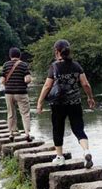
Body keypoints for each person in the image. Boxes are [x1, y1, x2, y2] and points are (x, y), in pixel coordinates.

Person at [36, 40, 96, 168]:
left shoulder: (54, 67)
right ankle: (86, 151)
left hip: (58, 104)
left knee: (58, 129)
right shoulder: (76, 66)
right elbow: (85, 84)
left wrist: (40, 102)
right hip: (75, 102)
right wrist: (90, 97)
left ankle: (60, 157)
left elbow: (47, 86)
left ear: (57, 52)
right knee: (79, 129)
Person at [0, 47, 32, 142]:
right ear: (19, 55)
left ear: (10, 56)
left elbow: (2, 80)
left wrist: (8, 84)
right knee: (25, 113)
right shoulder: (23, 65)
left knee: (11, 113)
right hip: (21, 93)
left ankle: (11, 133)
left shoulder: (5, 65)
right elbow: (27, 79)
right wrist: (27, 81)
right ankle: (27, 134)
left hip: (9, 93)